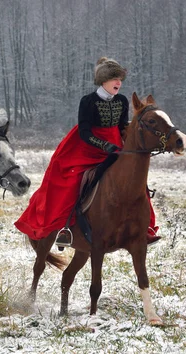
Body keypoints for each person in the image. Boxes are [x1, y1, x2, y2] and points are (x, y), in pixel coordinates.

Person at [14, 56, 161, 245]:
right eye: (114, 79)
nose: (118, 83)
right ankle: (66, 228)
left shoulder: (122, 100)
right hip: (87, 148)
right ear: (103, 80)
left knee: (135, 179)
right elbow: (84, 131)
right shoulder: (88, 101)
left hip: (116, 146)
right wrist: (103, 145)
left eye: (120, 79)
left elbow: (122, 126)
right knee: (73, 182)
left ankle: (145, 227)